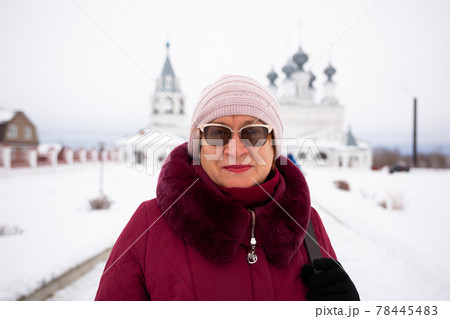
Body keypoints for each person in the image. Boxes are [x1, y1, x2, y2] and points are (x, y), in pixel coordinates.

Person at [95, 75, 359, 301]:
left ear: (274, 146)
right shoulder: (149, 226)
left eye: (253, 134)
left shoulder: (308, 224)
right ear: (198, 147)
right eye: (216, 134)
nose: (235, 150)